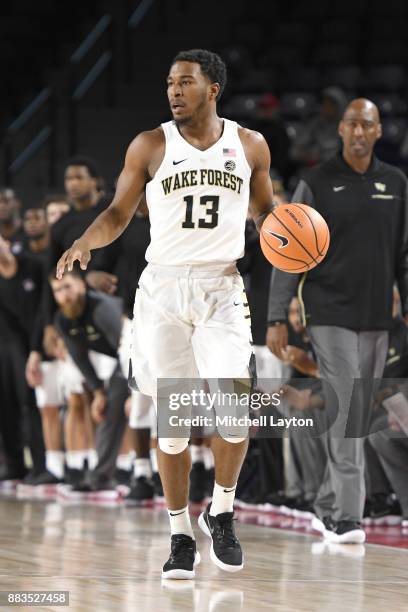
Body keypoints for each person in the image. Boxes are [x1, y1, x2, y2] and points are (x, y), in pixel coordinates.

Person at [56, 48, 275, 579]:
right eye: (170, 83)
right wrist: (88, 240)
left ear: (212, 89)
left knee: (234, 410)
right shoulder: (151, 144)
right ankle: (180, 533)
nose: (174, 91)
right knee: (173, 425)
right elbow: (117, 212)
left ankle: (220, 514)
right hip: (164, 291)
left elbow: (267, 213)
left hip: (222, 285)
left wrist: (294, 238)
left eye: (185, 82)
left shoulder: (249, 145)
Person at [267, 98, 408, 544]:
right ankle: (348, 517)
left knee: (357, 412)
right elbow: (287, 254)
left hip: (375, 314)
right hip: (328, 311)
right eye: (352, 124)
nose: (360, 131)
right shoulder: (316, 182)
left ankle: (327, 505)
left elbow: (404, 254)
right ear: (341, 130)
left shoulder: (397, 183)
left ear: (379, 130)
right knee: (347, 403)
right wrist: (277, 316)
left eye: (368, 124)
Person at [50, 270, 128, 492]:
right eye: (57, 290)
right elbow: (81, 360)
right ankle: (102, 477)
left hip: (145, 353)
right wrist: (98, 392)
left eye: (67, 287)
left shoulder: (102, 308)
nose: (64, 295)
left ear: (82, 286)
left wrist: (136, 389)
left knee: (153, 412)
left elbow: (132, 344)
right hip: (124, 358)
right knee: (110, 405)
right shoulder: (62, 319)